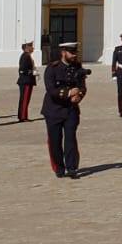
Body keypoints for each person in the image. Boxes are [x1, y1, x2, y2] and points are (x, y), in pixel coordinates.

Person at [41, 42, 88, 179]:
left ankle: (72, 167)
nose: (74, 55)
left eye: (75, 53)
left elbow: (82, 87)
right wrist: (68, 93)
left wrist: (78, 96)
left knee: (71, 138)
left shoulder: (78, 68)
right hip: (53, 109)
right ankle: (59, 167)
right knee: (55, 140)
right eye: (71, 53)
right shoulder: (52, 68)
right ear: (63, 52)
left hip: (71, 109)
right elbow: (51, 89)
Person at [16, 41, 37, 122]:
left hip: (27, 80)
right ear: (27, 48)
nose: (33, 48)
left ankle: (22, 115)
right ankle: (23, 116)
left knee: (25, 99)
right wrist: (32, 72)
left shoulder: (27, 56)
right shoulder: (25, 56)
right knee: (24, 99)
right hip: (26, 81)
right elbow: (22, 70)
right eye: (31, 46)